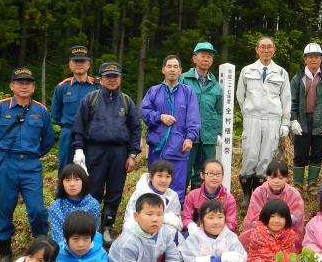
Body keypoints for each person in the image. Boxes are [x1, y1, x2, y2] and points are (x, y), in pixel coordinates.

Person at [0, 67, 55, 262]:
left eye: (28, 82)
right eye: (20, 82)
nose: (24, 85)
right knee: (2, 210)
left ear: (33, 87)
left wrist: (33, 154)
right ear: (12, 86)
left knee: (38, 210)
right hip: (5, 164)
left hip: (31, 165)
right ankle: (5, 254)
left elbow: (48, 140)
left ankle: (41, 247)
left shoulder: (41, 111)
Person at [71, 62, 142, 246]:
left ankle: (107, 227)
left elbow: (135, 129)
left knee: (115, 191)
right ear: (101, 79)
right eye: (108, 77)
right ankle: (91, 227)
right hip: (95, 151)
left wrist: (132, 154)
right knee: (93, 190)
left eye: (115, 76)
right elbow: (79, 126)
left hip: (119, 152)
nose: (112, 80)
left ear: (120, 79)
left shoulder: (127, 101)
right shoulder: (90, 99)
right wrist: (79, 149)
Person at [236, 36, 291, 207]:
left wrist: (285, 123)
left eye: (269, 47)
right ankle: (246, 195)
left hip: (272, 119)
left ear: (274, 50)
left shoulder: (281, 73)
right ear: (257, 49)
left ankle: (259, 196)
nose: (266, 50)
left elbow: (286, 99)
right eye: (262, 47)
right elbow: (240, 95)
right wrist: (247, 112)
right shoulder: (247, 71)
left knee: (266, 156)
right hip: (252, 118)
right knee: (250, 154)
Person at [141, 55, 201, 203]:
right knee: (155, 185)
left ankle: (175, 221)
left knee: (177, 187)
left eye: (175, 67)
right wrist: (159, 117)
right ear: (163, 70)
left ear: (180, 71)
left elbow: (193, 117)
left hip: (179, 147)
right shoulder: (154, 91)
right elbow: (144, 111)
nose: (172, 70)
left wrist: (190, 138)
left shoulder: (188, 92)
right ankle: (154, 220)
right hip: (157, 147)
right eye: (169, 66)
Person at [289, 42, 322, 192]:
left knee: (318, 152)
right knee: (300, 152)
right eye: (310, 57)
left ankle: (312, 183)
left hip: (320, 121)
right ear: (305, 59)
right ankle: (297, 183)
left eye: (316, 57)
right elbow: (292, 100)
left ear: (321, 59)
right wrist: (293, 119)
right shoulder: (297, 78)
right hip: (302, 120)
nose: (313, 60)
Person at [181, 42, 223, 191]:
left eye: (209, 56)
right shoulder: (183, 79)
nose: (206, 59)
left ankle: (200, 204)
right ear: (194, 58)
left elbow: (219, 111)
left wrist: (218, 132)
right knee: (184, 170)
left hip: (208, 135)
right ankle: (180, 203)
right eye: (203, 56)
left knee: (205, 172)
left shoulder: (216, 85)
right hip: (187, 135)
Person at [51, 46, 99, 174]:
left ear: (88, 64)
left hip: (92, 134)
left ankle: (89, 195)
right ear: (70, 64)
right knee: (65, 169)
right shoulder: (62, 87)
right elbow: (55, 114)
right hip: (69, 134)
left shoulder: (97, 86)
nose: (79, 64)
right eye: (75, 61)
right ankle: (62, 194)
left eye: (82, 61)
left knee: (91, 170)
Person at [241, 160, 305, 249]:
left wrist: (280, 223)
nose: (276, 181)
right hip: (262, 230)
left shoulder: (294, 194)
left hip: (286, 230)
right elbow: (253, 217)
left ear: (287, 178)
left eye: (280, 178)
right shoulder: (259, 192)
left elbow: (297, 220)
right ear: (266, 177)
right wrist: (269, 226)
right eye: (272, 177)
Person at [124, 160, 183, 242]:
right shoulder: (140, 193)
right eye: (159, 176)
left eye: (167, 176)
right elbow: (130, 219)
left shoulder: (173, 195)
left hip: (164, 236)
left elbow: (177, 222)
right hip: (140, 235)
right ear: (151, 177)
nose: (163, 180)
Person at [48, 163, 101, 248]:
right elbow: (58, 236)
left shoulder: (93, 204)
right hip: (63, 249)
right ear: (62, 183)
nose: (72, 184)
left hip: (88, 247)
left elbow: (94, 231)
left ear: (84, 181)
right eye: (68, 180)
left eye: (77, 179)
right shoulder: (56, 207)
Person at [182, 158, 238, 234]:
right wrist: (192, 226)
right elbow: (186, 218)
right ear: (202, 175)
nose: (215, 177)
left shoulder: (229, 199)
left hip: (220, 235)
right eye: (211, 173)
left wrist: (216, 231)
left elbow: (232, 224)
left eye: (218, 174)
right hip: (196, 234)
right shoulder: (192, 195)